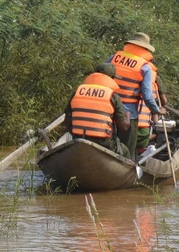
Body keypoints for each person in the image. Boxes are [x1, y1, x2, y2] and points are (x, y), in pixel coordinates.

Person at [108, 32, 163, 160]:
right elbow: (148, 96)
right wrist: (156, 110)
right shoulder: (145, 67)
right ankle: (129, 165)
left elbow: (101, 74)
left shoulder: (113, 58)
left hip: (108, 108)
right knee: (128, 148)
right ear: (145, 49)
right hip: (129, 114)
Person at [63, 62, 132, 157]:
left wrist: (77, 134)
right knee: (126, 151)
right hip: (103, 143)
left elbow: (67, 121)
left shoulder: (77, 92)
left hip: (78, 140)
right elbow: (123, 127)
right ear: (111, 78)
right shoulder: (113, 96)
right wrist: (128, 117)